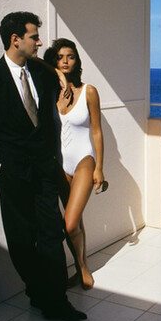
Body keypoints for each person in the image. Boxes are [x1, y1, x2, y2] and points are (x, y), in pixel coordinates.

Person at [0, 12, 87, 321]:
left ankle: (58, 301)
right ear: (15, 39)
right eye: (34, 36)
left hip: (44, 172)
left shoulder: (43, 74)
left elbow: (53, 83)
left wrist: (59, 75)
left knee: (51, 235)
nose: (39, 41)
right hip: (12, 175)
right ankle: (37, 293)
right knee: (20, 240)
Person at [43, 38, 106, 290]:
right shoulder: (52, 93)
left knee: (69, 223)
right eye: (60, 57)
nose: (66, 61)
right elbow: (33, 61)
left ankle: (82, 267)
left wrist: (99, 167)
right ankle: (81, 267)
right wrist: (57, 75)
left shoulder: (88, 91)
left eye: (70, 56)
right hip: (60, 163)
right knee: (76, 222)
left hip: (84, 160)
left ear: (77, 60)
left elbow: (98, 132)